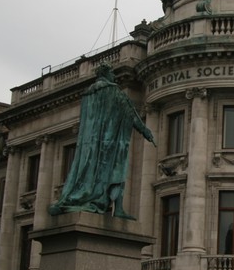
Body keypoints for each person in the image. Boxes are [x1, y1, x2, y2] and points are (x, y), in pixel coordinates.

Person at [49, 63, 155, 218]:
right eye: (111, 73)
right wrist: (146, 131)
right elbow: (130, 115)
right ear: (106, 75)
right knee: (118, 171)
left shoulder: (87, 95)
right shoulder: (114, 92)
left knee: (93, 174)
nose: (114, 76)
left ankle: (92, 202)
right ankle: (118, 209)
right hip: (110, 143)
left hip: (90, 146)